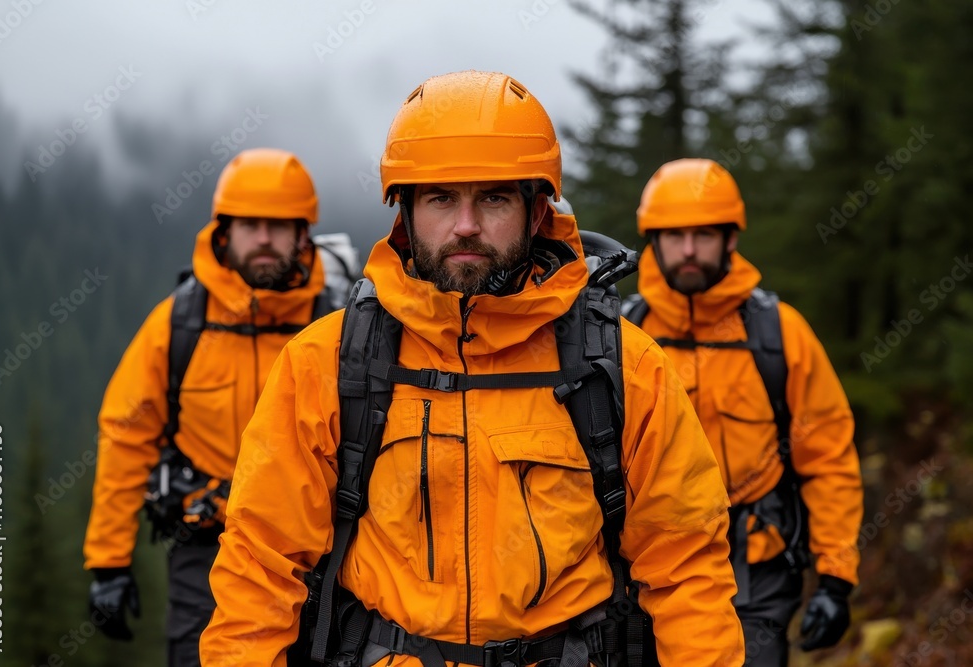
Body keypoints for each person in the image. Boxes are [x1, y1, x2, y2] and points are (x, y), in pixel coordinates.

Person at [200, 71, 744, 667]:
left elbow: (687, 569)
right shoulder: (327, 361)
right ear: (404, 213)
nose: (465, 224)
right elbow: (261, 565)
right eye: (440, 198)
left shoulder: (622, 365)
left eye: (493, 197)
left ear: (536, 212)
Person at [84, 148, 342, 666]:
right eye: (250, 224)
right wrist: (109, 565)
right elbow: (126, 435)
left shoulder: (338, 328)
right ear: (224, 232)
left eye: (278, 224)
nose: (264, 238)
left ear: (303, 233)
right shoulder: (177, 325)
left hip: (319, 557)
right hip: (204, 548)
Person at [622, 158, 863, 665]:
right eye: (675, 235)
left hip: (758, 572)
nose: (689, 250)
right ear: (652, 241)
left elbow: (829, 458)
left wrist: (835, 579)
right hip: (645, 575)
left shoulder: (780, 334)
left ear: (731, 238)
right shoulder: (621, 339)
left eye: (704, 234)